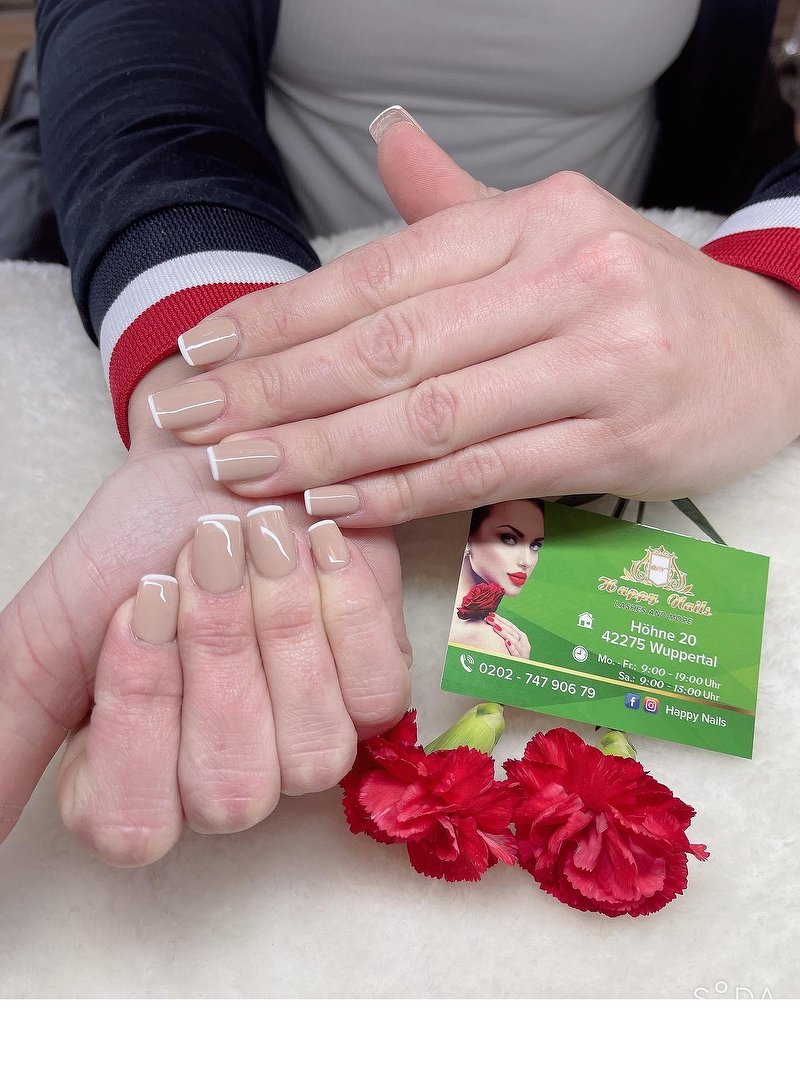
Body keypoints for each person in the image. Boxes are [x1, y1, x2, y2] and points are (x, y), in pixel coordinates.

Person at [2, 0, 799, 862]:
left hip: (655, 271)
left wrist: (770, 313)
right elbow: (139, 63)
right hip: (247, 245)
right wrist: (231, 374)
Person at [451, 501, 545, 660]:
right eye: (509, 538)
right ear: (468, 536)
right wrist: (518, 667)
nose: (527, 561)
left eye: (535, 546)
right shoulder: (487, 639)